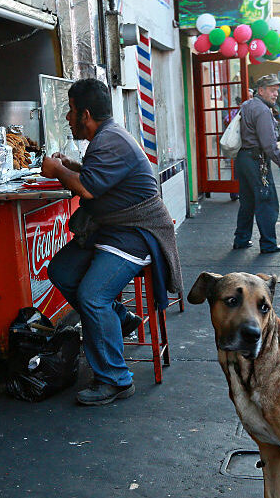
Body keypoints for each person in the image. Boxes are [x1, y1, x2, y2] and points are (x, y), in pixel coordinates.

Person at [42, 78, 182, 407]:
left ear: (86, 114)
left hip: (137, 232)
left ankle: (115, 379)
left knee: (92, 295)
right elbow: (98, 177)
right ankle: (119, 318)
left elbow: (89, 189)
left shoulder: (109, 140)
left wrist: (57, 169)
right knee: (61, 270)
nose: (67, 118)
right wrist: (71, 166)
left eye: (71, 111)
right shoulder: (105, 138)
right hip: (113, 229)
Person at [234, 74, 280, 253]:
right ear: (261, 91)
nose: (276, 94)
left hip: (243, 159)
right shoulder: (262, 110)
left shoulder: (246, 105)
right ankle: (268, 244)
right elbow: (269, 144)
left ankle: (241, 239)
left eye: (277, 90)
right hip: (256, 160)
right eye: (272, 90)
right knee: (267, 201)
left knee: (247, 202)